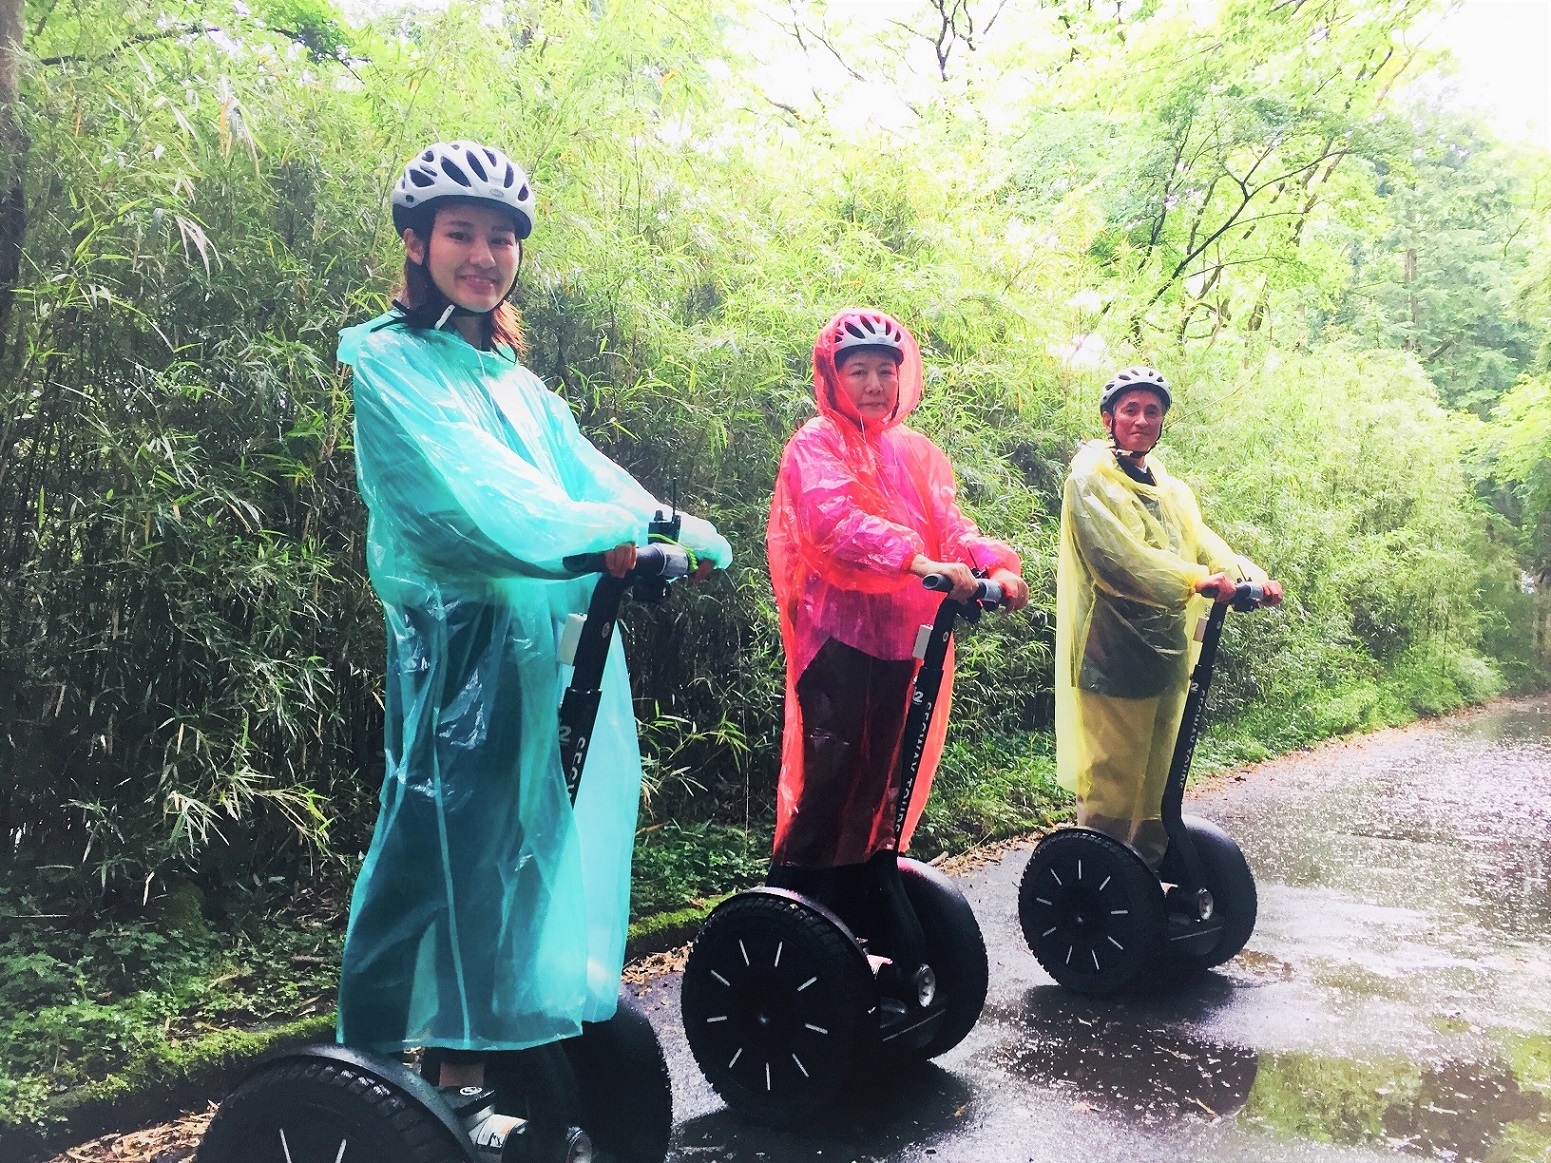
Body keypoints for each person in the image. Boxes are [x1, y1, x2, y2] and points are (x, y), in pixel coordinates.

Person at [334, 141, 731, 1085]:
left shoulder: (518, 384)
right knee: (431, 849)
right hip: (456, 648)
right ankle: (370, 1064)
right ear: (416, 241)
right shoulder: (389, 362)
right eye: (460, 234)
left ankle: (474, 1055)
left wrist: (677, 525)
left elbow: (584, 474)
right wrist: (602, 535)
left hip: (540, 645)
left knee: (522, 848)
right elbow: (479, 501)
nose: (482, 254)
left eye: (500, 238)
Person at [765, 307, 1028, 913]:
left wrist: (995, 565)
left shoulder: (915, 453)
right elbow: (834, 524)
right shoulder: (817, 443)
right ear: (833, 377)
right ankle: (796, 901)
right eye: (859, 371)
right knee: (833, 771)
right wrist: (915, 560)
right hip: (836, 636)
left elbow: (950, 524)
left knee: (886, 775)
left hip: (905, 638)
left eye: (886, 370)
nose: (876, 385)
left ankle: (859, 893)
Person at [1055, 365, 1282, 869]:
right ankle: (1094, 876)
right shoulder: (1089, 479)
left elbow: (1203, 541)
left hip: (1168, 649)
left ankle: (1146, 875)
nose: (1140, 419)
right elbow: (1118, 558)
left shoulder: (1168, 487)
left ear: (1163, 422)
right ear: (1108, 417)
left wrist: (1250, 575)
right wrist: (1192, 580)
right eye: (1130, 409)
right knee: (1114, 774)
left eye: (1151, 411)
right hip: (1110, 647)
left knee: (1160, 773)